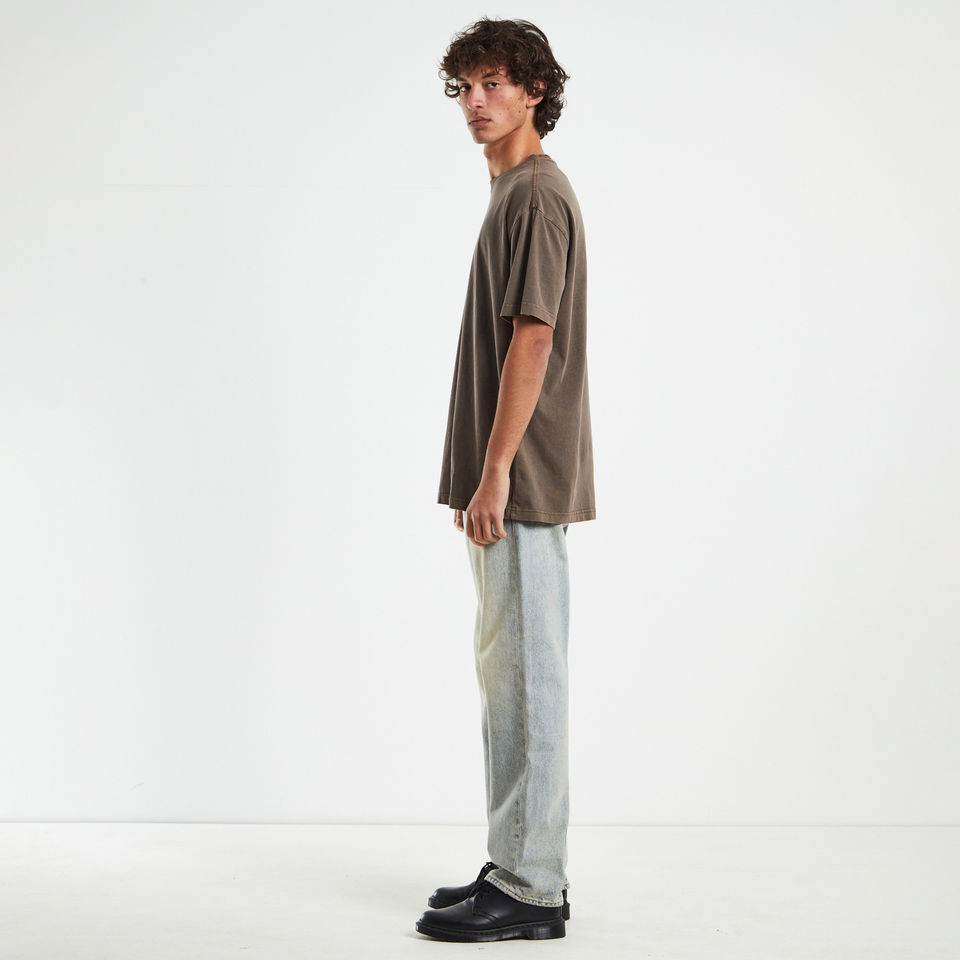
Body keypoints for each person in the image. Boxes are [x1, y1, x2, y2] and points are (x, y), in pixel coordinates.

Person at [416, 16, 596, 944]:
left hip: (520, 480)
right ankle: (517, 859)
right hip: (506, 483)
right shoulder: (512, 193)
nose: (477, 102)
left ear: (535, 91)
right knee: (509, 676)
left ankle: (532, 888)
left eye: (495, 83)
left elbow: (534, 337)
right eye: (466, 86)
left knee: (528, 679)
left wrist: (493, 475)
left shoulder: (535, 195)